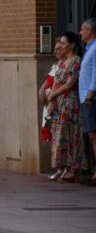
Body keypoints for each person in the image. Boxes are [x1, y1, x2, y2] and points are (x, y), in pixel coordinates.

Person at [45, 33, 83, 182]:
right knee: (58, 134)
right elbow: (56, 81)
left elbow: (69, 84)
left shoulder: (76, 61)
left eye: (63, 43)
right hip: (59, 102)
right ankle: (61, 167)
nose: (60, 46)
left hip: (70, 102)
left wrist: (53, 95)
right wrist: (52, 100)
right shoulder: (62, 62)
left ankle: (72, 168)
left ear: (72, 44)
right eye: (60, 43)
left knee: (70, 134)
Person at [79, 17, 96, 185]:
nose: (80, 32)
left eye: (83, 29)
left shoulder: (95, 48)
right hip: (85, 97)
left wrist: (91, 93)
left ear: (90, 31)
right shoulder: (89, 48)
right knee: (91, 136)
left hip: (90, 97)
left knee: (94, 135)